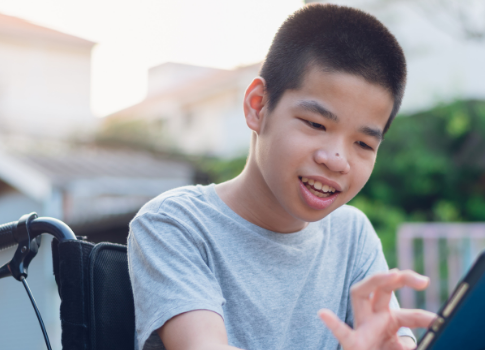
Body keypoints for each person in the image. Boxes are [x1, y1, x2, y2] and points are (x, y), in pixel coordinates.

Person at [128, 4, 437, 350]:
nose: (337, 160)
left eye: (363, 144)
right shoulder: (175, 224)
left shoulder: (353, 237)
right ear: (258, 106)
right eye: (316, 124)